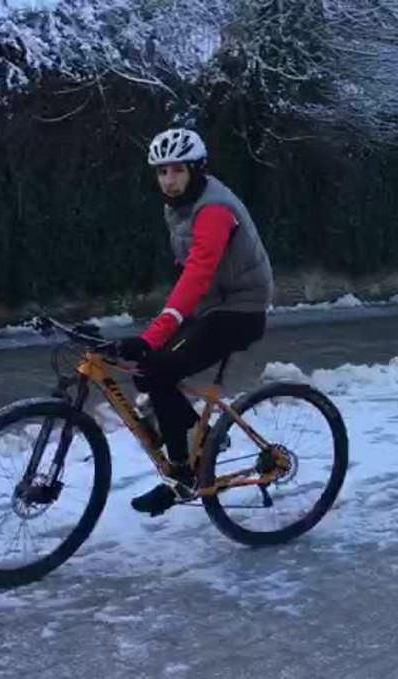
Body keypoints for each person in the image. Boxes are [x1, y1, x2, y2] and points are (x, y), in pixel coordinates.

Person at [113, 127, 274, 517]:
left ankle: (182, 476)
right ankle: (197, 442)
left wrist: (156, 333)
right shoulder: (180, 205)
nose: (168, 180)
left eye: (177, 171)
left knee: (159, 367)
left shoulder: (213, 209)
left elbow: (198, 273)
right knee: (148, 371)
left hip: (241, 309)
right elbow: (189, 269)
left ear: (196, 170)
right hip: (213, 305)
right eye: (161, 172)